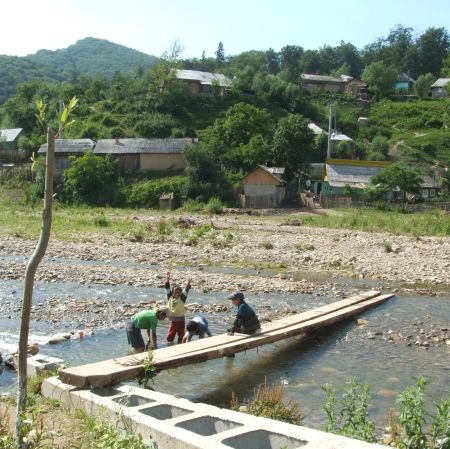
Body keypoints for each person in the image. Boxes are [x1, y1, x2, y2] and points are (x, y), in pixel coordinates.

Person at [166, 271, 192, 344]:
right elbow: (167, 288)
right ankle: (169, 344)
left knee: (181, 334)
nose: (177, 294)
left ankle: (180, 344)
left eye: (178, 292)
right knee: (171, 335)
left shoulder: (182, 298)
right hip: (173, 320)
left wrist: (188, 283)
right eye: (175, 292)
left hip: (181, 320)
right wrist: (167, 279)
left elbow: (186, 290)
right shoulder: (170, 297)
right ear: (173, 293)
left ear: (180, 293)